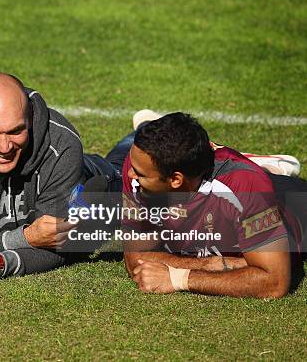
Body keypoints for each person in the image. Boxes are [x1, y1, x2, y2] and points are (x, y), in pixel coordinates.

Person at [0, 73, 117, 280]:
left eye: (16, 131)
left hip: (104, 176)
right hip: (61, 179)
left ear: (30, 118)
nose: (4, 147)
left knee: (139, 155)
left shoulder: (62, 145)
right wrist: (27, 238)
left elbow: (59, 246)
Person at [121, 112, 304, 298]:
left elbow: (274, 283)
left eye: (140, 174)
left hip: (290, 201)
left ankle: (266, 167)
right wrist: (215, 265)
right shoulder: (140, 164)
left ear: (175, 179)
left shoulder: (247, 188)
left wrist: (180, 278)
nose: (130, 175)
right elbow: (136, 258)